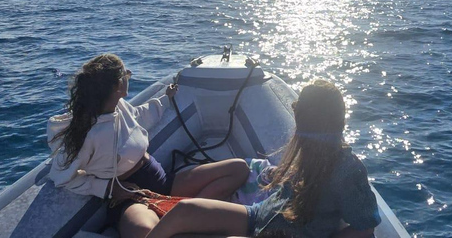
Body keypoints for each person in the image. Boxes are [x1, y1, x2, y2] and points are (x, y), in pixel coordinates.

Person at [143, 80, 381, 238]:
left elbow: (365, 226)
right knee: (184, 210)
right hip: (259, 215)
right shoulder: (309, 151)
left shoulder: (348, 170)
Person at [47, 53, 249, 238]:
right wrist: (108, 188)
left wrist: (165, 99)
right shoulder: (86, 133)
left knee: (239, 169)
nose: (130, 74)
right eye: (126, 73)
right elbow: (60, 176)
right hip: (131, 197)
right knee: (147, 233)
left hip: (161, 181)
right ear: (118, 85)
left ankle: (185, 218)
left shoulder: (118, 107)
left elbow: (140, 116)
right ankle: (185, 217)